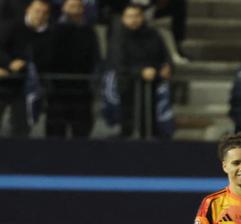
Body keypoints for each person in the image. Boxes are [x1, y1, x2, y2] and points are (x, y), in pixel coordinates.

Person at [109, 3, 170, 138]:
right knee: (129, 125)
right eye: (130, 16)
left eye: (137, 16)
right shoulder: (118, 38)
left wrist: (164, 68)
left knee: (150, 125)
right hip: (128, 90)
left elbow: (164, 56)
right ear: (123, 19)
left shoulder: (153, 35)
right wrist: (140, 72)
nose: (134, 20)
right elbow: (119, 64)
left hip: (152, 89)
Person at [0, 0, 52, 137]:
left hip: (25, 88)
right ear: (28, 10)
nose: (39, 15)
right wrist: (9, 64)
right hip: (3, 82)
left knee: (21, 128)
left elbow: (47, 59)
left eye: (44, 13)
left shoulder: (48, 34)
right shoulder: (12, 26)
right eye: (37, 11)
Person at [47, 0, 98, 138]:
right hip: (57, 88)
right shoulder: (53, 30)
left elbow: (94, 57)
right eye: (71, 7)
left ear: (83, 10)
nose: (74, 11)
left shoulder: (89, 31)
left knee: (81, 131)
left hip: (81, 87)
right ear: (63, 8)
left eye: (77, 7)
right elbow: (49, 56)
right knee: (55, 132)